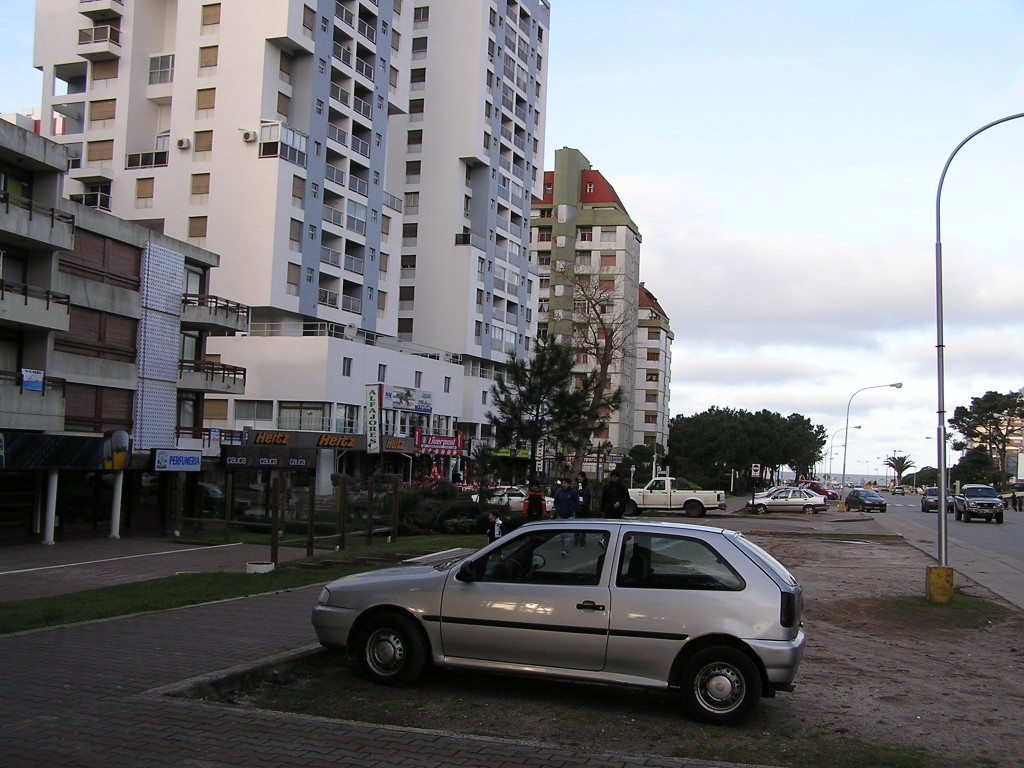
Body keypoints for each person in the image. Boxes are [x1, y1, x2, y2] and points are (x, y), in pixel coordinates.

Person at [551, 477, 579, 557]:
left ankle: (565, 551)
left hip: (570, 515)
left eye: (565, 483)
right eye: (562, 483)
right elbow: (556, 502)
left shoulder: (573, 492)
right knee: (562, 534)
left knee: (567, 534)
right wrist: (558, 509)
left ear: (569, 484)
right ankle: (564, 547)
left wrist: (571, 510)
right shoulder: (559, 491)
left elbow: (576, 503)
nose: (563, 485)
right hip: (561, 515)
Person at [573, 471, 592, 546]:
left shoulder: (587, 486)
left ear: (584, 478)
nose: (579, 478)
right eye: (578, 476)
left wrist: (589, 506)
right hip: (577, 507)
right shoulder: (575, 486)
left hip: (585, 507)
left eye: (581, 476)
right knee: (576, 524)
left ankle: (583, 539)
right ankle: (576, 539)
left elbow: (589, 497)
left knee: (584, 524)